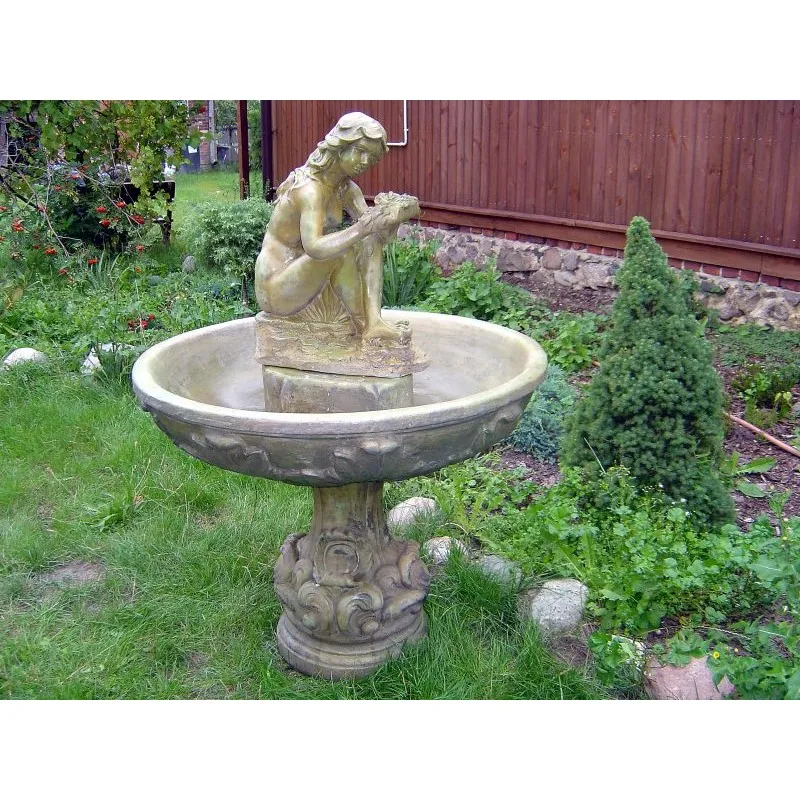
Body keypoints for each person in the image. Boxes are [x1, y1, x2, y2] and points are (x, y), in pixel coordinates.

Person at [254, 112, 415, 344]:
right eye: (361, 151)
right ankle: (364, 323)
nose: (365, 162)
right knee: (344, 249)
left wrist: (393, 217)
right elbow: (314, 247)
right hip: (276, 285)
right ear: (340, 147)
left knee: (369, 240)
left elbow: (376, 236)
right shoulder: (310, 189)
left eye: (371, 158)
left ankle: (374, 322)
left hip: (303, 273)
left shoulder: (347, 189)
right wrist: (362, 229)